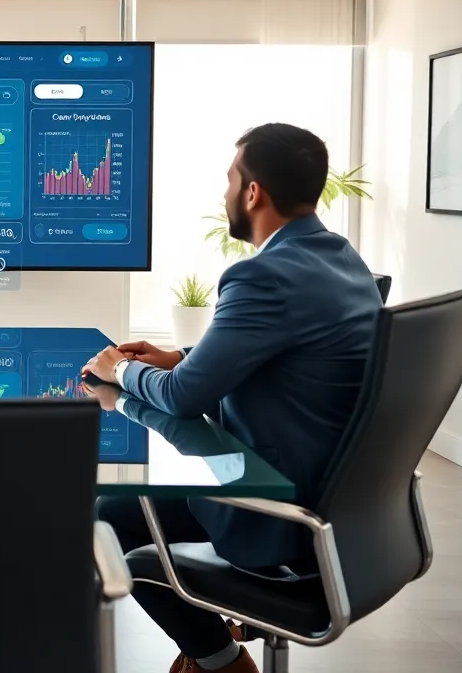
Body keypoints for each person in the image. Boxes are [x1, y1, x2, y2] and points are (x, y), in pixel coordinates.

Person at [82, 123, 382, 673]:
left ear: (252, 193)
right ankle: (214, 649)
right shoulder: (339, 257)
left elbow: (179, 397)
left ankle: (220, 662)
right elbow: (293, 347)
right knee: (123, 508)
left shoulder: (260, 275)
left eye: (229, 180)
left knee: (116, 516)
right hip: (350, 514)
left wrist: (118, 370)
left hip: (282, 515)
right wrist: (187, 353)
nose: (224, 194)